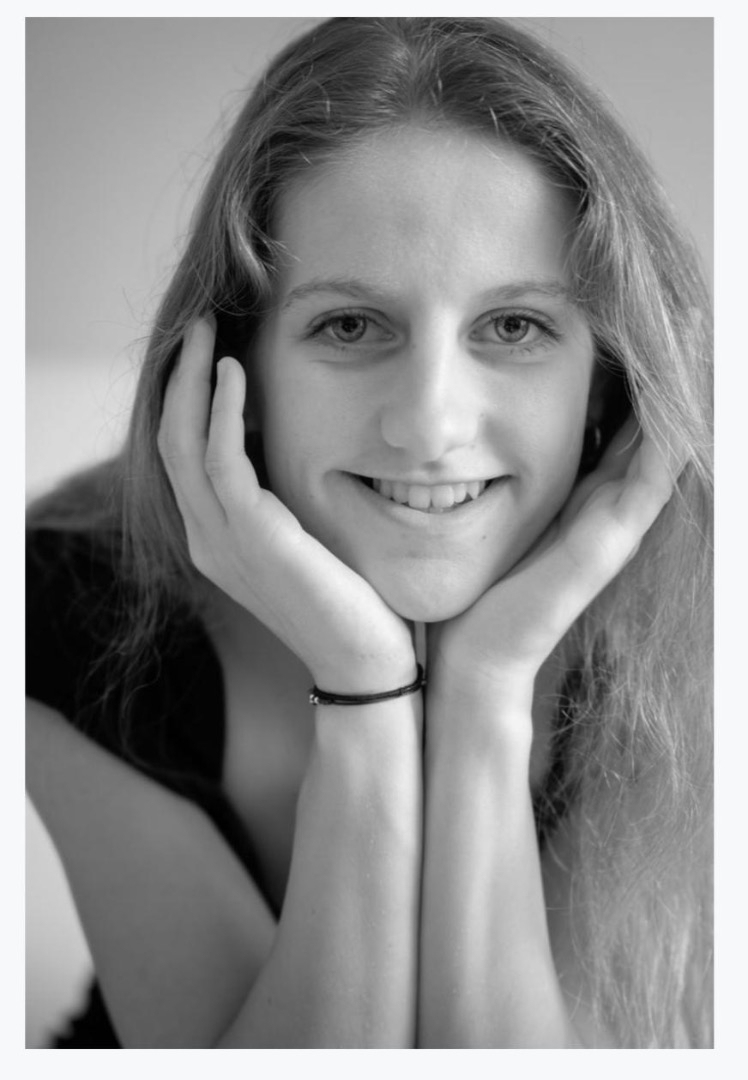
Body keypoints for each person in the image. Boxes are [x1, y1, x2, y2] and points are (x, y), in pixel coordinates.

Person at [26, 17, 713, 1049]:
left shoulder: (701, 623)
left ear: (607, 383)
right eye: (349, 325)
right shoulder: (68, 594)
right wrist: (365, 694)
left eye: (514, 326)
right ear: (237, 374)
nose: (430, 426)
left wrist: (484, 694)